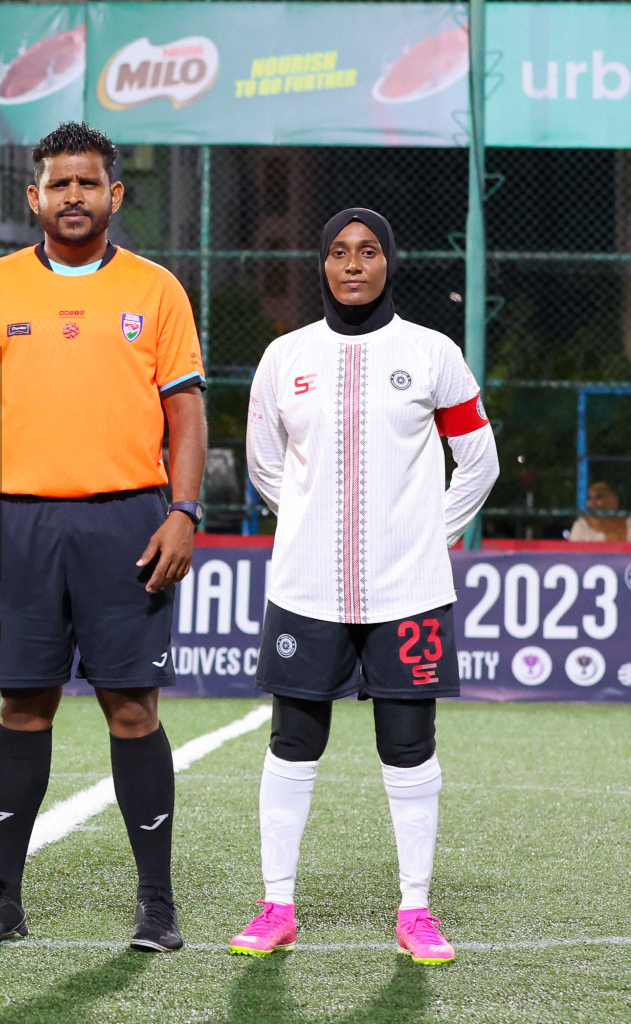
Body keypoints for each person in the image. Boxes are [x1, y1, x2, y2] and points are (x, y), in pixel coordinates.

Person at [0, 123, 207, 950]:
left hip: (128, 518)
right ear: (35, 197)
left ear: (114, 196)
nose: (74, 197)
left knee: (132, 708)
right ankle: (2, 900)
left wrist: (184, 511)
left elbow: (185, 410)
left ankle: (157, 904)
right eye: (60, 185)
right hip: (18, 522)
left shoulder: (156, 289)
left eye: (89, 184)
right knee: (23, 706)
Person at [236, 208, 499, 964]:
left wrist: (427, 530)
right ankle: (276, 904)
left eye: (369, 251)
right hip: (305, 590)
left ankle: (415, 910)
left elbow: (477, 462)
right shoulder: (285, 356)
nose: (353, 264)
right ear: (322, 264)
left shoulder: (432, 353)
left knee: (408, 746)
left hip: (408, 593)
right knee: (293, 741)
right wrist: (313, 524)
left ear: (390, 262)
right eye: (340, 253)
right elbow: (266, 465)